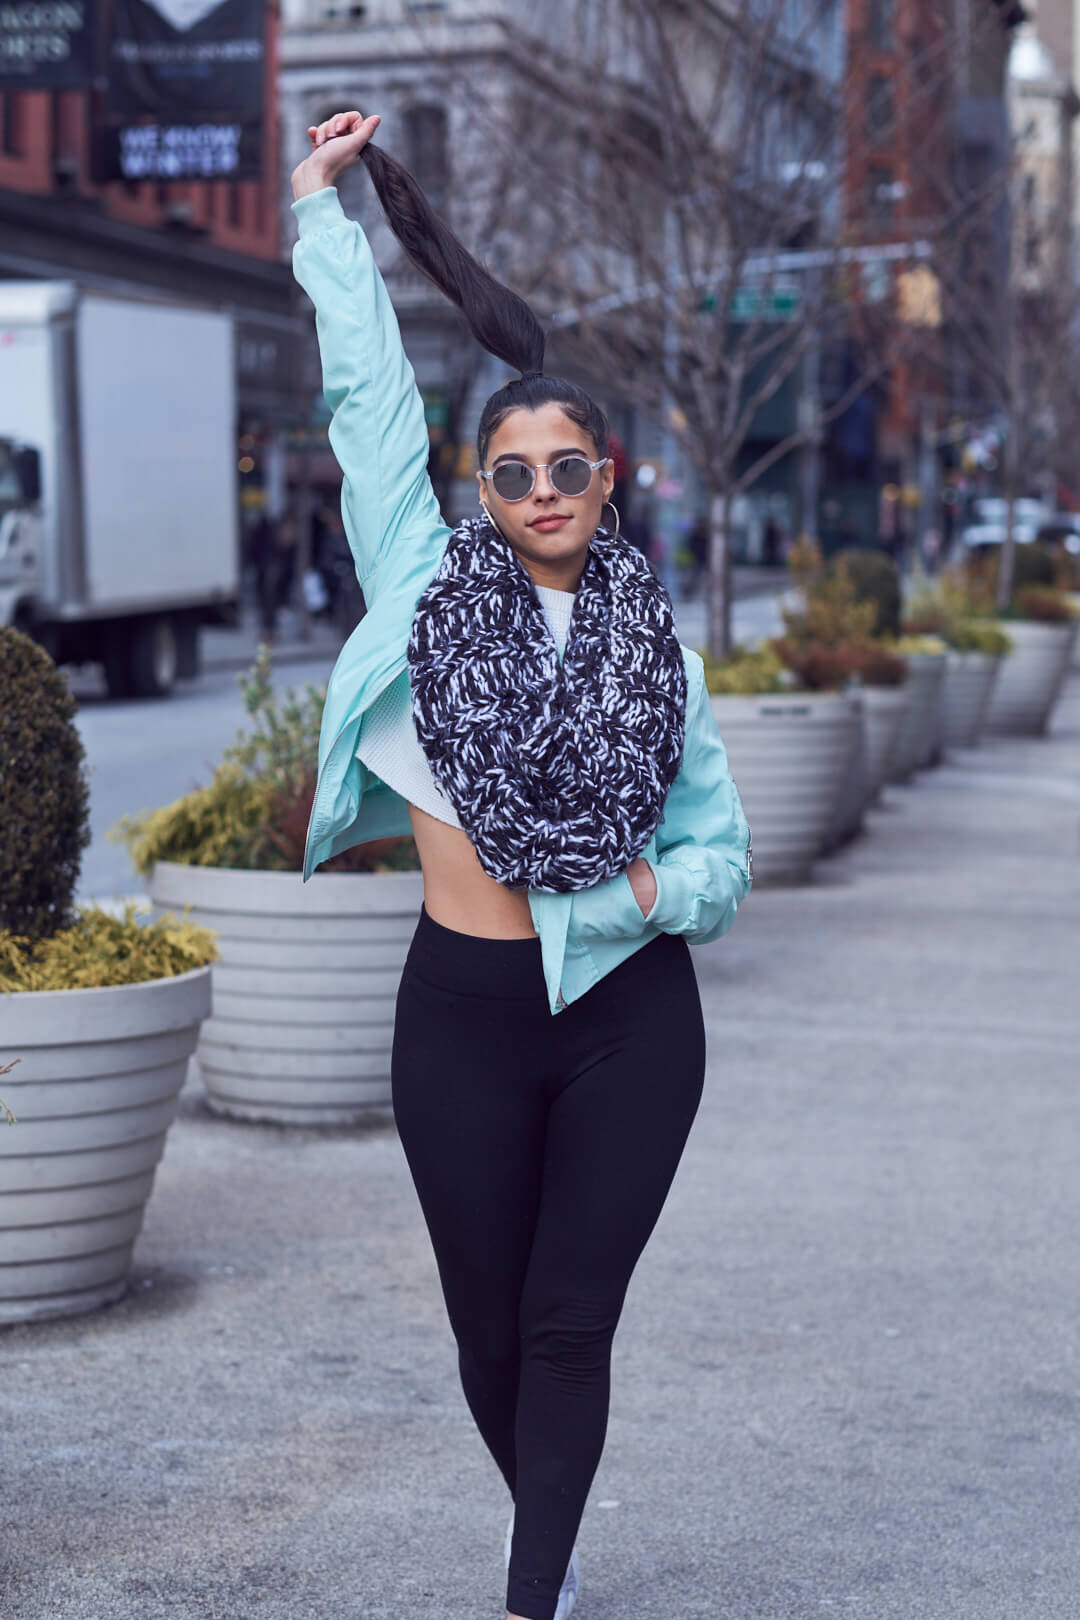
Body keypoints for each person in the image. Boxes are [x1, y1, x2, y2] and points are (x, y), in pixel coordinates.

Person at [291, 110, 753, 1620]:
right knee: (487, 1329)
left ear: (606, 478)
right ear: (479, 489)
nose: (543, 486)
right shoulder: (424, 594)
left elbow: (721, 859)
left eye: (568, 465)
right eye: (513, 470)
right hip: (461, 1014)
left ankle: (530, 1593)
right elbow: (366, 396)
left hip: (627, 1014)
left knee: (566, 1328)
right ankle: (540, 1516)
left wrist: (643, 895)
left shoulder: (657, 648)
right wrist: (325, 212)